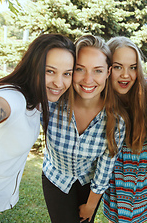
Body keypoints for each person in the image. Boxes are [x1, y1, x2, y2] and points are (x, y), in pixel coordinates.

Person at [0, 33, 75, 223]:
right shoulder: (15, 98)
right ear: (33, 67)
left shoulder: (37, 100)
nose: (59, 82)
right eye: (49, 71)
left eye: (67, 73)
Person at [42, 34, 128, 223]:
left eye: (97, 70)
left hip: (88, 184)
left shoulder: (116, 120)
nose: (88, 80)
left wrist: (91, 205)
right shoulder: (51, 105)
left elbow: (105, 167)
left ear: (108, 72)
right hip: (56, 177)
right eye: (80, 69)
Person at [103, 36, 147, 223]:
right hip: (117, 179)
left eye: (132, 67)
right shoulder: (100, 98)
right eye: (118, 66)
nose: (126, 75)